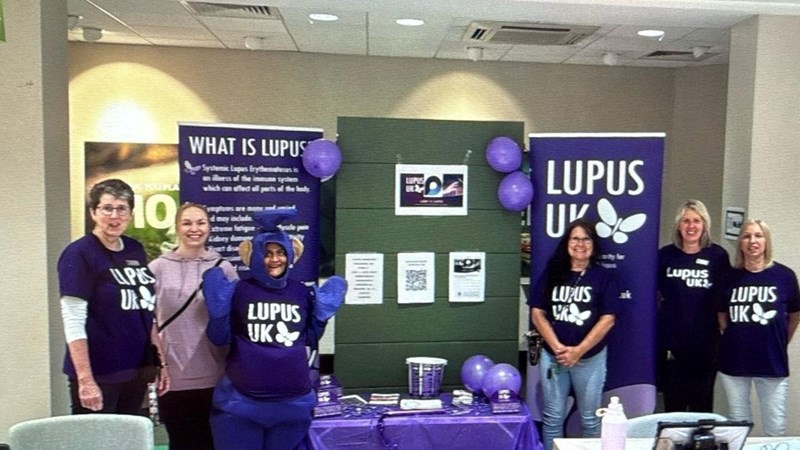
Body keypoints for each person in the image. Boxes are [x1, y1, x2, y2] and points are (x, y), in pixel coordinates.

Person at [202, 208, 347, 450]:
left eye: (280, 252)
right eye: (267, 253)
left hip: (292, 408)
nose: (274, 259)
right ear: (254, 255)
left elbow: (310, 339)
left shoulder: (302, 291)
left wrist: (321, 318)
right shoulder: (239, 290)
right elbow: (218, 338)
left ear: (291, 254)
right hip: (241, 406)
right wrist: (218, 314)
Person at [58, 178, 169, 415]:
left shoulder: (134, 249)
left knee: (130, 433)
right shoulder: (79, 254)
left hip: (136, 371)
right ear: (93, 212)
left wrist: (160, 363)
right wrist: (85, 380)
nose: (114, 216)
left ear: (130, 214)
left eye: (122, 209)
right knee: (97, 435)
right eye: (107, 208)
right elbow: (73, 321)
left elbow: (146, 311)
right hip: (99, 374)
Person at [149, 203, 238, 450]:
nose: (194, 229)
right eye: (187, 223)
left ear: (209, 227)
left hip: (215, 373)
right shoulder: (157, 268)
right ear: (177, 227)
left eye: (201, 222)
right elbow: (148, 321)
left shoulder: (223, 267)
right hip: (173, 376)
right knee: (181, 441)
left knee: (212, 442)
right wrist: (159, 364)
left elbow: (235, 319)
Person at [528, 218, 620, 450]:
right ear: (567, 243)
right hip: (554, 357)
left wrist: (578, 351)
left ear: (594, 244)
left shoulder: (604, 277)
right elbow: (537, 313)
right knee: (552, 418)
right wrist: (557, 347)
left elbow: (608, 319)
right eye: (575, 239)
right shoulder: (552, 273)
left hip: (589, 359)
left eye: (586, 239)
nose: (580, 244)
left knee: (590, 420)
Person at [717, 219, 800, 436]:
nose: (752, 241)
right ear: (740, 242)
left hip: (772, 361)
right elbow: (722, 315)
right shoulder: (728, 277)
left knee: (775, 426)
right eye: (747, 236)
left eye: (758, 236)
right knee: (738, 425)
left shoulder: (785, 276)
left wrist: (780, 340)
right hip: (734, 361)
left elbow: (794, 315)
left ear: (766, 241)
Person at [657, 199, 731, 412]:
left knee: (702, 404)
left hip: (706, 344)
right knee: (673, 406)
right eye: (686, 221)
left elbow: (723, 300)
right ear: (678, 225)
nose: (691, 226)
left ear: (704, 224)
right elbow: (657, 294)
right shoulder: (666, 255)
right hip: (672, 344)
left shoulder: (717, 256)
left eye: (696, 221)